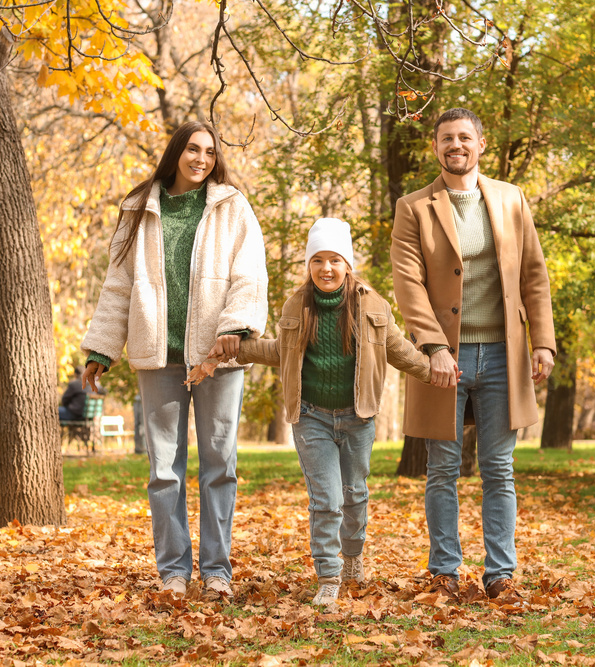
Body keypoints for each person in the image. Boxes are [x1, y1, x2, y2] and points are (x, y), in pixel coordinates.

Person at [80, 121, 268, 600]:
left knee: (219, 466)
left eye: (208, 151)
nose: (200, 159)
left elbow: (249, 276)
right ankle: (174, 572)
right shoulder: (139, 208)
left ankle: (218, 572)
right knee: (164, 469)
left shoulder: (233, 207)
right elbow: (118, 284)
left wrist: (234, 328)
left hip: (217, 356)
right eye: (191, 149)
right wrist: (102, 348)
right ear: (175, 153)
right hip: (158, 355)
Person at [229, 218, 448, 608]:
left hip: (357, 416)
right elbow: (282, 352)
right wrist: (238, 348)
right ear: (309, 265)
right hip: (311, 416)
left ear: (348, 264)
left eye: (334, 260)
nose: (326, 269)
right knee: (326, 499)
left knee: (355, 495)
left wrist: (435, 372)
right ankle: (329, 575)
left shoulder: (372, 305)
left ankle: (353, 557)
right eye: (318, 260)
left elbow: (398, 350)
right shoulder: (297, 304)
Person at [390, 107, 556, 599]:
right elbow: (408, 284)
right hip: (445, 360)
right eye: (446, 138)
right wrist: (434, 347)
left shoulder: (510, 199)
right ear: (435, 147)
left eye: (465, 137)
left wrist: (542, 341)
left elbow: (534, 274)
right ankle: (444, 571)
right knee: (442, 468)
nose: (455, 145)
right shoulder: (414, 207)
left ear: (480, 144)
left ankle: (500, 575)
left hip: (504, 356)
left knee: (499, 469)